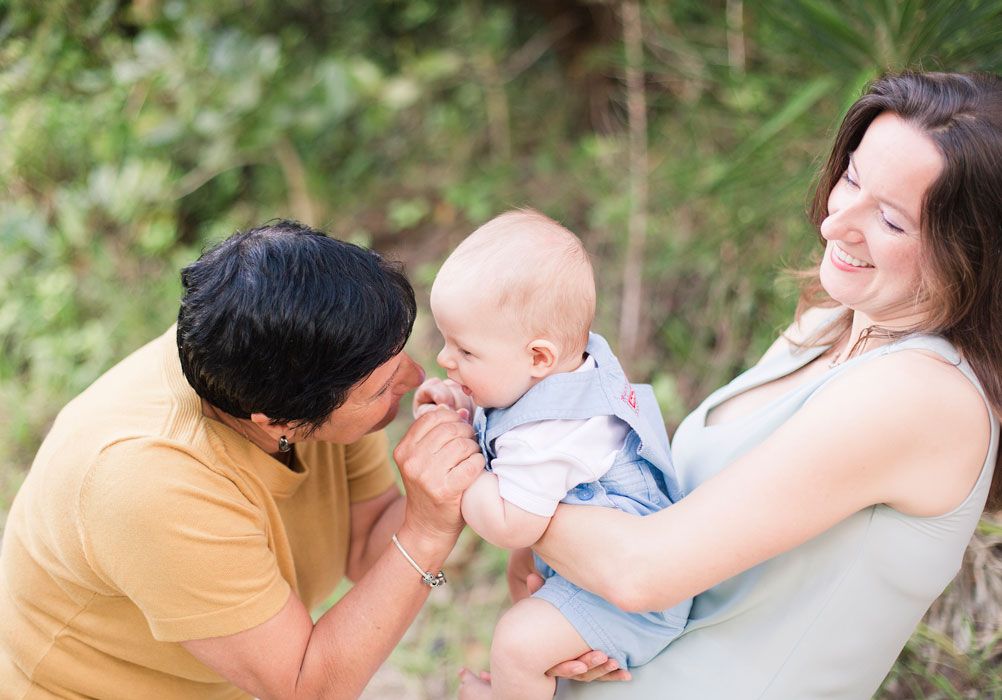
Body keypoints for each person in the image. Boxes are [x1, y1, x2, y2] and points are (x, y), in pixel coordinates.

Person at [417, 71, 1002, 699]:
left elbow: (642, 571)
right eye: (852, 178)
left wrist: (484, 476)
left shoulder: (923, 395)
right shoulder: (830, 321)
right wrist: (571, 591)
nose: (836, 224)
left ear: (969, 251)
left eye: (889, 219)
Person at [0, 220, 485, 700]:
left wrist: (461, 468)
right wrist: (426, 531)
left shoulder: (312, 351)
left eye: (399, 357)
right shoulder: (151, 483)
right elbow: (306, 684)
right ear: (277, 422)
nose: (416, 378)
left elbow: (368, 543)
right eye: (380, 389)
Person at [421, 209, 690, 700]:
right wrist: (460, 403)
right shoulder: (562, 373)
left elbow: (510, 524)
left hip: (631, 597)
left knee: (516, 643)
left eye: (465, 351)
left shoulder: (552, 430)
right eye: (446, 341)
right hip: (590, 566)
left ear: (538, 357)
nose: (444, 358)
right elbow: (500, 416)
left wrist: (462, 464)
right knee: (523, 589)